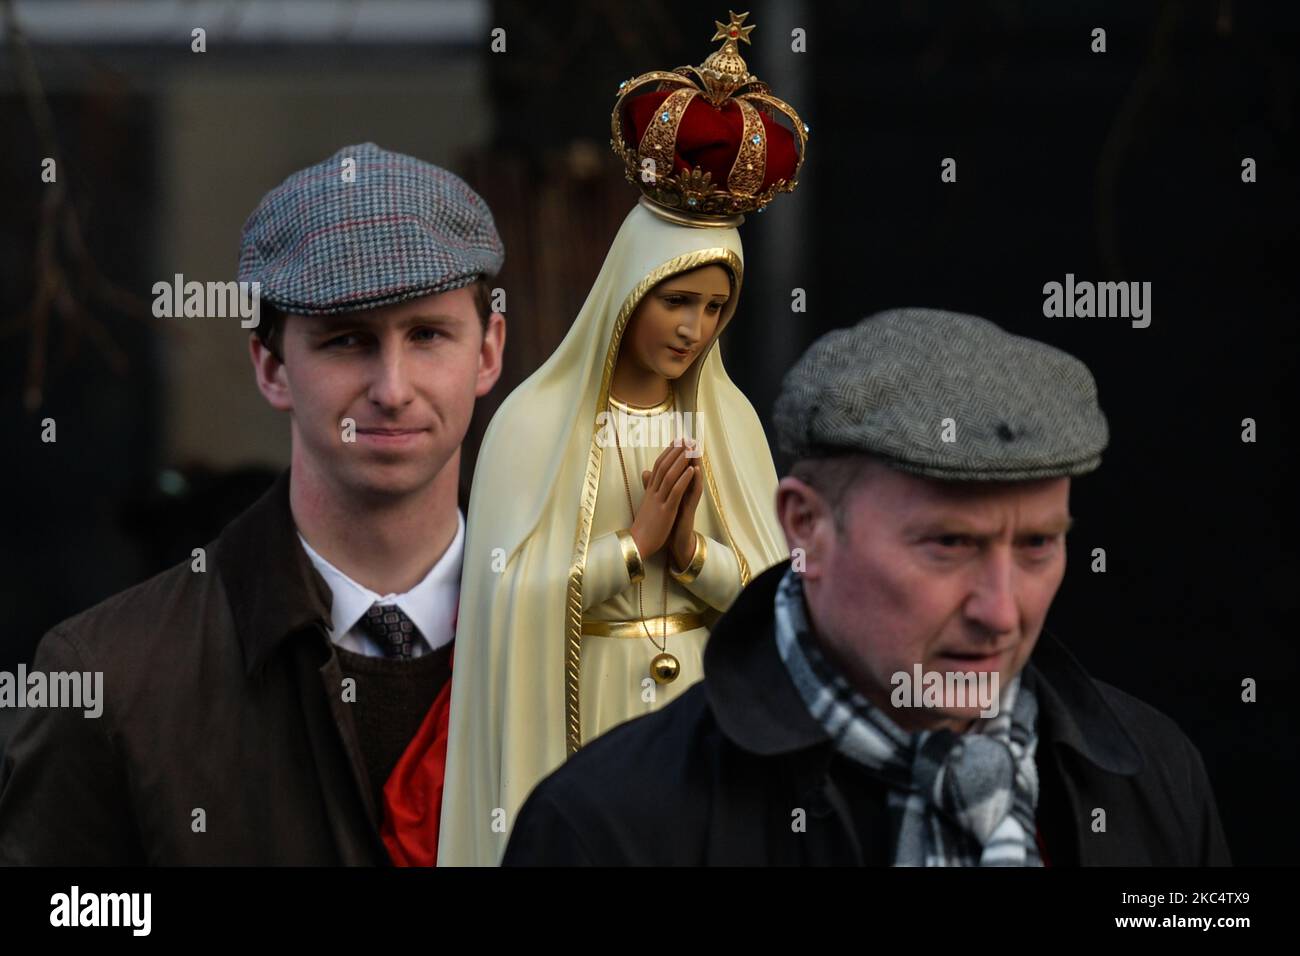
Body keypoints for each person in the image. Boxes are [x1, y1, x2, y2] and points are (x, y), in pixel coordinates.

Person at [502, 308, 1232, 866]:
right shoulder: (611, 826)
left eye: (1038, 544)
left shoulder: (1153, 777)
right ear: (806, 527)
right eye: (949, 545)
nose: (1001, 612)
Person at [0, 143, 506, 865]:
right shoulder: (112, 678)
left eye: (427, 335)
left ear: (487, 352)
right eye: (347, 340)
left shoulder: (578, 637)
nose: (392, 388)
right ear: (271, 366)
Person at [436, 13, 808, 865]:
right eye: (676, 300)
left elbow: (780, 606)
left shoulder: (733, 425)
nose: (693, 328)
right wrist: (630, 550)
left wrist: (691, 559)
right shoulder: (535, 424)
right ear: (628, 288)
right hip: (585, 714)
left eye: (716, 307)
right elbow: (504, 600)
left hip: (707, 726)